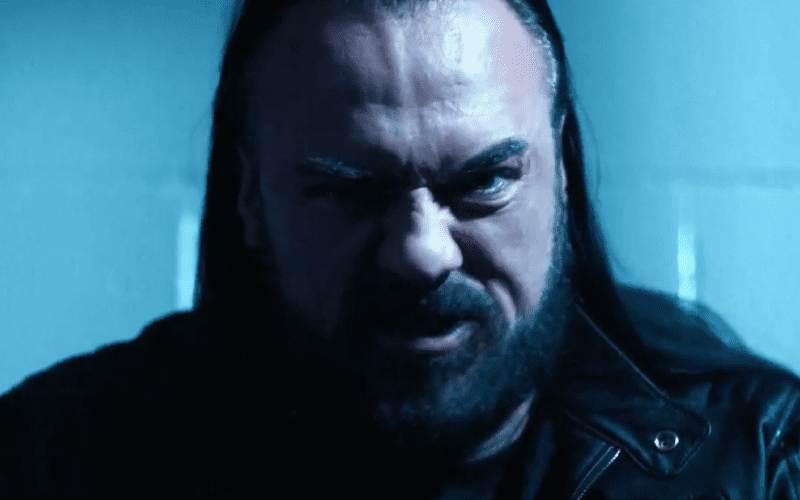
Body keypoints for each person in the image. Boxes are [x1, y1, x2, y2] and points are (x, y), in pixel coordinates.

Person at [1, 0, 799, 497]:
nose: (421, 254)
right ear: (250, 195)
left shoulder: (763, 460)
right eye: (349, 190)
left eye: (484, 181)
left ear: (561, 172)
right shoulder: (53, 458)